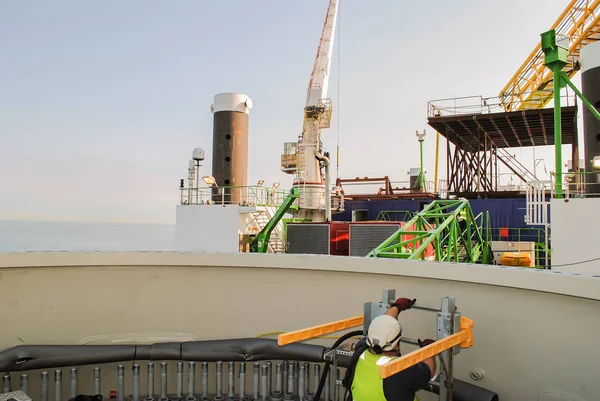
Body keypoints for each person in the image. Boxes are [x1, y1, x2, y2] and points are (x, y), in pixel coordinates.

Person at [344, 297, 436, 401]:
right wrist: (428, 349)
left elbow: (381, 328)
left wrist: (396, 307)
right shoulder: (398, 370)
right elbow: (429, 370)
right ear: (396, 343)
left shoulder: (360, 351)